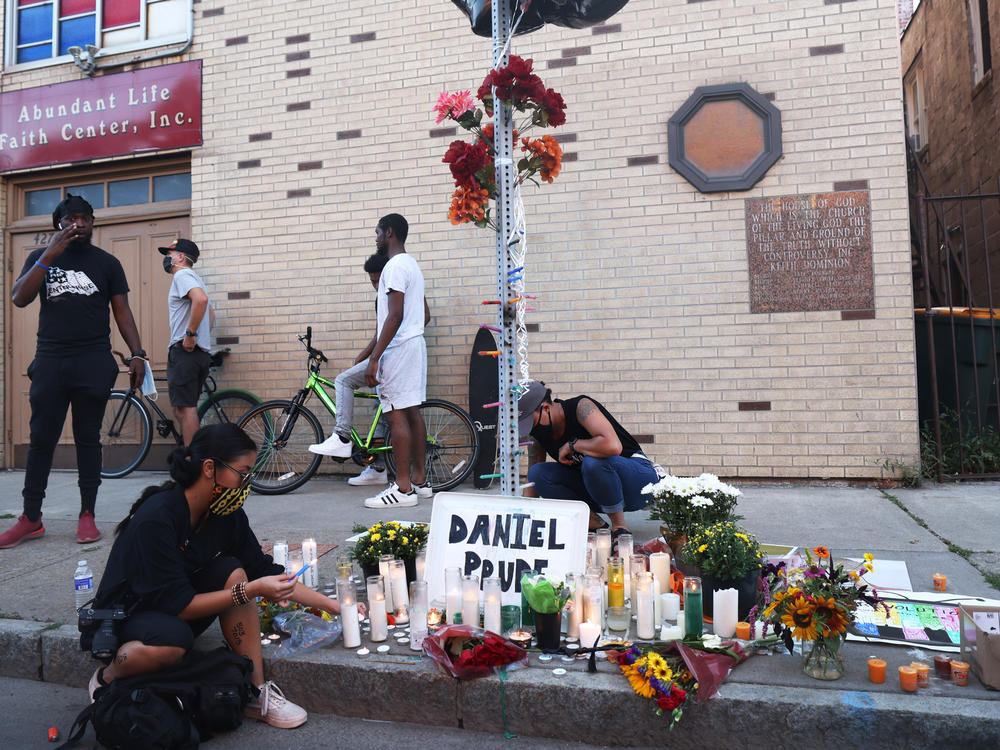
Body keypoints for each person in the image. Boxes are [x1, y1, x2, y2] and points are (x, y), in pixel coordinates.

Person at [86, 423, 357, 729]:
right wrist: (250, 590)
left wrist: (338, 607)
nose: (247, 482)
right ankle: (107, 676)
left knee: (232, 570)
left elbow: (266, 574)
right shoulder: (157, 518)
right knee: (175, 641)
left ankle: (256, 693)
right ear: (209, 468)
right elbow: (181, 604)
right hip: (129, 613)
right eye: (242, 472)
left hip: (174, 605)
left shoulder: (225, 514)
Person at [0, 194, 144, 549]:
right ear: (58, 224)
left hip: (92, 360)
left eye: (84, 218)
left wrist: (137, 353)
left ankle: (87, 515)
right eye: (70, 219)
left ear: (93, 223)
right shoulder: (40, 259)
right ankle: (31, 517)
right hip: (50, 359)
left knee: (87, 438)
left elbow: (122, 311)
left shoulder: (107, 263)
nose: (78, 224)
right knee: (41, 440)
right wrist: (49, 255)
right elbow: (19, 298)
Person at [308, 253, 430, 489]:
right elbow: (421, 317)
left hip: (395, 354)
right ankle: (382, 468)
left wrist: (374, 356)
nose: (377, 286)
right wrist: (366, 356)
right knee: (394, 412)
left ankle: (343, 437)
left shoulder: (391, 289)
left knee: (345, 381)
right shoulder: (412, 285)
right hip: (409, 351)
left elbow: (388, 326)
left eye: (377, 281)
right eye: (373, 282)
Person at [517, 380, 657, 550]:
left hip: (638, 482)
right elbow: (532, 481)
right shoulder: (539, 430)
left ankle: (620, 528)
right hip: (598, 489)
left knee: (594, 461)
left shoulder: (581, 407)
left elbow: (613, 446)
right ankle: (597, 527)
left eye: (529, 422)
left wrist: (573, 445)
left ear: (546, 408)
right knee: (537, 473)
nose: (530, 429)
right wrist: (522, 523)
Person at [361, 214, 432, 508]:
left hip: (399, 349)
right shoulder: (412, 265)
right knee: (412, 413)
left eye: (378, 232)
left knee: (395, 415)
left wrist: (374, 357)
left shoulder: (393, 267)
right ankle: (420, 481)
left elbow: (395, 314)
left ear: (389, 232)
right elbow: (424, 315)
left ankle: (402, 489)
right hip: (414, 345)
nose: (376, 237)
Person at [160, 238, 214, 446]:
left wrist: (190, 335)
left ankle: (194, 461)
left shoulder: (182, 275)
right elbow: (210, 314)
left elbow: (201, 301)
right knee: (181, 407)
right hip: (197, 355)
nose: (167, 259)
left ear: (180, 257)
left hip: (186, 353)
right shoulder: (195, 278)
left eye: (169, 254)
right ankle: (192, 456)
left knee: (185, 408)